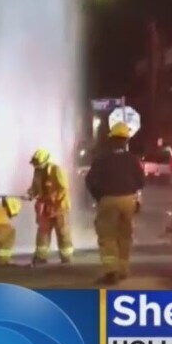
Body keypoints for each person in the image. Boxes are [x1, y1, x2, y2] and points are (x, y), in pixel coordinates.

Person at [86, 121, 146, 285]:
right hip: (128, 200)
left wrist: (99, 197)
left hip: (108, 200)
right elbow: (141, 182)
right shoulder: (132, 160)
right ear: (126, 140)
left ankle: (111, 271)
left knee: (107, 237)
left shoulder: (101, 159)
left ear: (111, 140)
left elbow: (90, 181)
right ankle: (123, 270)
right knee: (125, 236)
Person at [27, 148, 73, 265]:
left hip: (59, 207)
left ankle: (66, 256)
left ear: (45, 161)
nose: (36, 166)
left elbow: (63, 188)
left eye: (38, 163)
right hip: (45, 207)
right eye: (35, 163)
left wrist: (53, 198)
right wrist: (31, 193)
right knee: (43, 231)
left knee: (62, 231)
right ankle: (41, 256)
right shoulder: (37, 171)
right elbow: (35, 187)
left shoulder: (56, 170)